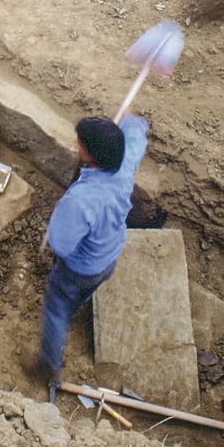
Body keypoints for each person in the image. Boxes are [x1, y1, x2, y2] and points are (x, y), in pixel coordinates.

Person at [39, 114, 149, 402]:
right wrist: (127, 123)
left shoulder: (82, 199)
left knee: (56, 307)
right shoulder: (124, 162)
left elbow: (61, 244)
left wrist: (59, 216)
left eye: (81, 144)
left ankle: (49, 365)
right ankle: (78, 304)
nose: (77, 145)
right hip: (109, 255)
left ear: (91, 155)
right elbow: (136, 131)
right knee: (84, 291)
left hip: (79, 267)